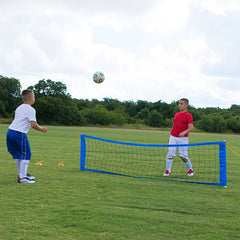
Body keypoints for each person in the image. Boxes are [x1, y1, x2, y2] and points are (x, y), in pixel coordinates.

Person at [6, 89, 47, 183]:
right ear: (31, 98)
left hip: (10, 132)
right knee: (26, 155)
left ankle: (21, 175)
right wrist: (42, 129)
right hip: (19, 134)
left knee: (19, 155)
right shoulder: (31, 110)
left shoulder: (19, 107)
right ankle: (23, 178)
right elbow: (33, 124)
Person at [163, 98, 194, 177]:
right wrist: (172, 137)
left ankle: (190, 169)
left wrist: (184, 132)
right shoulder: (176, 114)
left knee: (183, 156)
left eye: (181, 104)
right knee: (170, 154)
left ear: (186, 105)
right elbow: (175, 125)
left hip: (183, 139)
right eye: (179, 103)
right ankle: (167, 171)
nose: (179, 105)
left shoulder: (188, 115)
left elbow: (191, 127)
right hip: (173, 137)